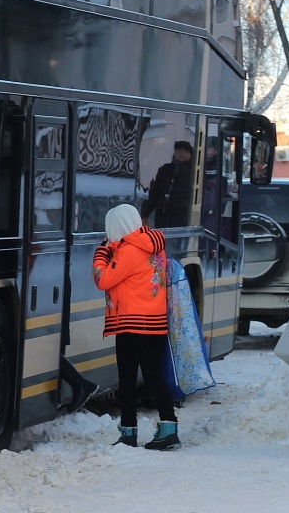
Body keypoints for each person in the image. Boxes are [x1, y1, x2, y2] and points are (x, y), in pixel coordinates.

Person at [92, 204, 180, 450]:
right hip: (155, 323)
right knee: (154, 377)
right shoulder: (154, 248)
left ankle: (128, 433)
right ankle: (168, 429)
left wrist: (101, 255)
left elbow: (104, 280)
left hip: (131, 323)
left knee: (127, 380)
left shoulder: (129, 250)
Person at [141, 141, 194, 228]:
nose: (182, 154)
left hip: (184, 219)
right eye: (179, 150)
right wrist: (146, 211)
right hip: (164, 217)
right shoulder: (165, 170)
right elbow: (155, 193)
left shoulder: (194, 173)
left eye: (186, 152)